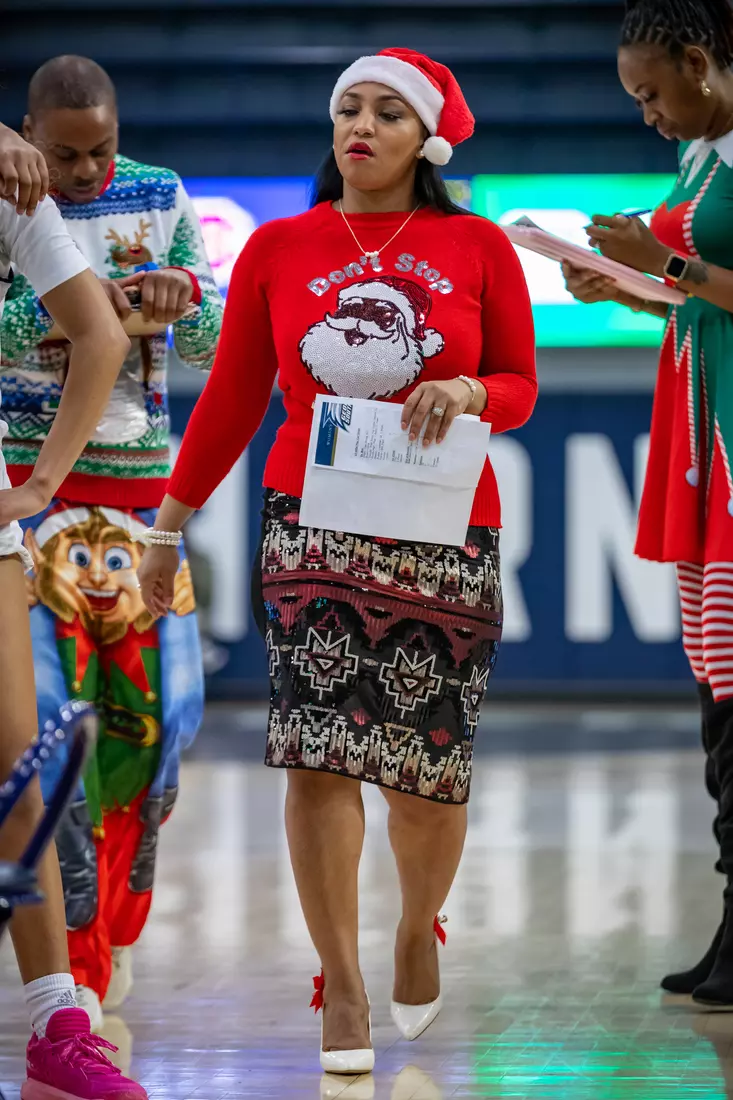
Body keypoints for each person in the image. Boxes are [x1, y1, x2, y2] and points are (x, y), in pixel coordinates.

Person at [138, 47, 537, 1072]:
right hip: (309, 525)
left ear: (425, 140)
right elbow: (230, 400)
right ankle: (341, 981)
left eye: (386, 114)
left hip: (445, 530)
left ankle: (415, 925)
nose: (360, 127)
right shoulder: (278, 247)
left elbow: (521, 384)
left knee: (423, 772)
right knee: (317, 750)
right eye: (347, 109)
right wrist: (167, 525)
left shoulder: (476, 244)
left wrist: (474, 392)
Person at [0, 55, 222, 1029]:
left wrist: (176, 294)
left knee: (168, 721)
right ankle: (78, 945)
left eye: (100, 150)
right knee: (51, 726)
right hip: (27, 497)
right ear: (27, 132)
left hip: (142, 496)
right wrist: (112, 312)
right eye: (62, 154)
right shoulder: (12, 195)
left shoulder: (163, 193)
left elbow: (212, 337)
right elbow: (10, 324)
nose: (84, 173)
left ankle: (120, 911)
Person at [562, 0, 733, 1008]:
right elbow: (701, 290)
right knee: (718, 688)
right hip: (701, 434)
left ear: (699, 61)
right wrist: (623, 287)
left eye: (650, 92)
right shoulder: (701, 158)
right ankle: (730, 920)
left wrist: (660, 261)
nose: (647, 115)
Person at [0, 126, 149, 1099]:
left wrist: (40, 480)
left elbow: (98, 331)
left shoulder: (10, 182)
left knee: (20, 760)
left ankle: (59, 1018)